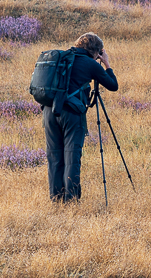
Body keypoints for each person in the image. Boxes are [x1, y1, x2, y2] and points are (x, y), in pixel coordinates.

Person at [44, 32, 118, 202]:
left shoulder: (61, 57)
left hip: (49, 111)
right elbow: (113, 86)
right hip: (71, 113)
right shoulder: (90, 64)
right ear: (96, 51)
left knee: (55, 157)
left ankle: (56, 200)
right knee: (72, 158)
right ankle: (71, 202)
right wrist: (106, 63)